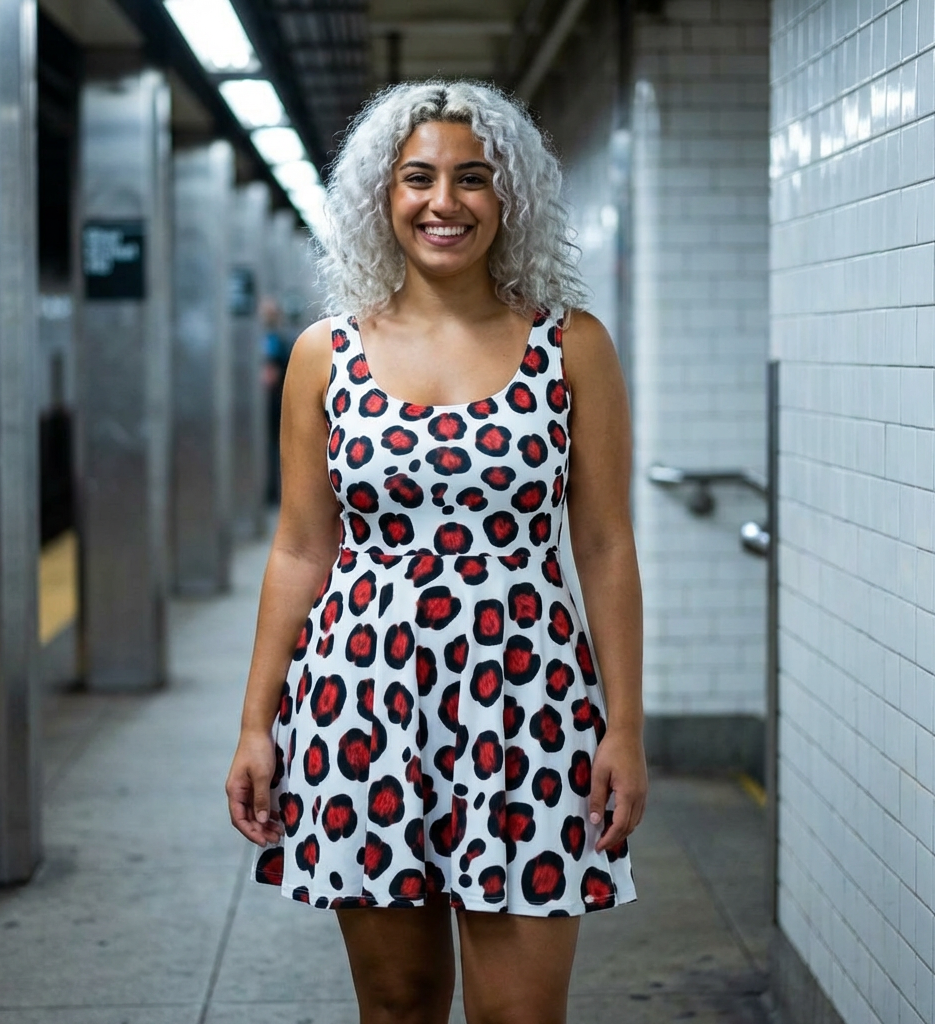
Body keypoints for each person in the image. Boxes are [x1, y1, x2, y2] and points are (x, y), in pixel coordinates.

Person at [226, 80, 647, 1024]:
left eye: (472, 178)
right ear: (383, 196)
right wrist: (258, 725)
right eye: (417, 178)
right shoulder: (324, 355)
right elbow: (299, 548)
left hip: (530, 705)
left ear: (512, 199)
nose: (443, 202)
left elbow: (607, 545)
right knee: (401, 1004)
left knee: (521, 1013)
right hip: (358, 704)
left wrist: (624, 726)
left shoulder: (571, 346)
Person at [260, 297, 291, 505]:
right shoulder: (281, 338)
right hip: (280, 401)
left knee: (274, 446)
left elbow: (269, 375)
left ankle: (273, 491)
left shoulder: (272, 340)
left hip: (274, 402)